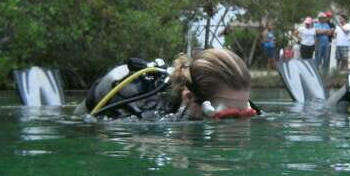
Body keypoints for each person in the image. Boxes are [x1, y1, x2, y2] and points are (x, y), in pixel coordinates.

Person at [76, 49, 258, 120]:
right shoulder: (140, 111)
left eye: (245, 114)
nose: (240, 126)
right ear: (189, 98)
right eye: (229, 116)